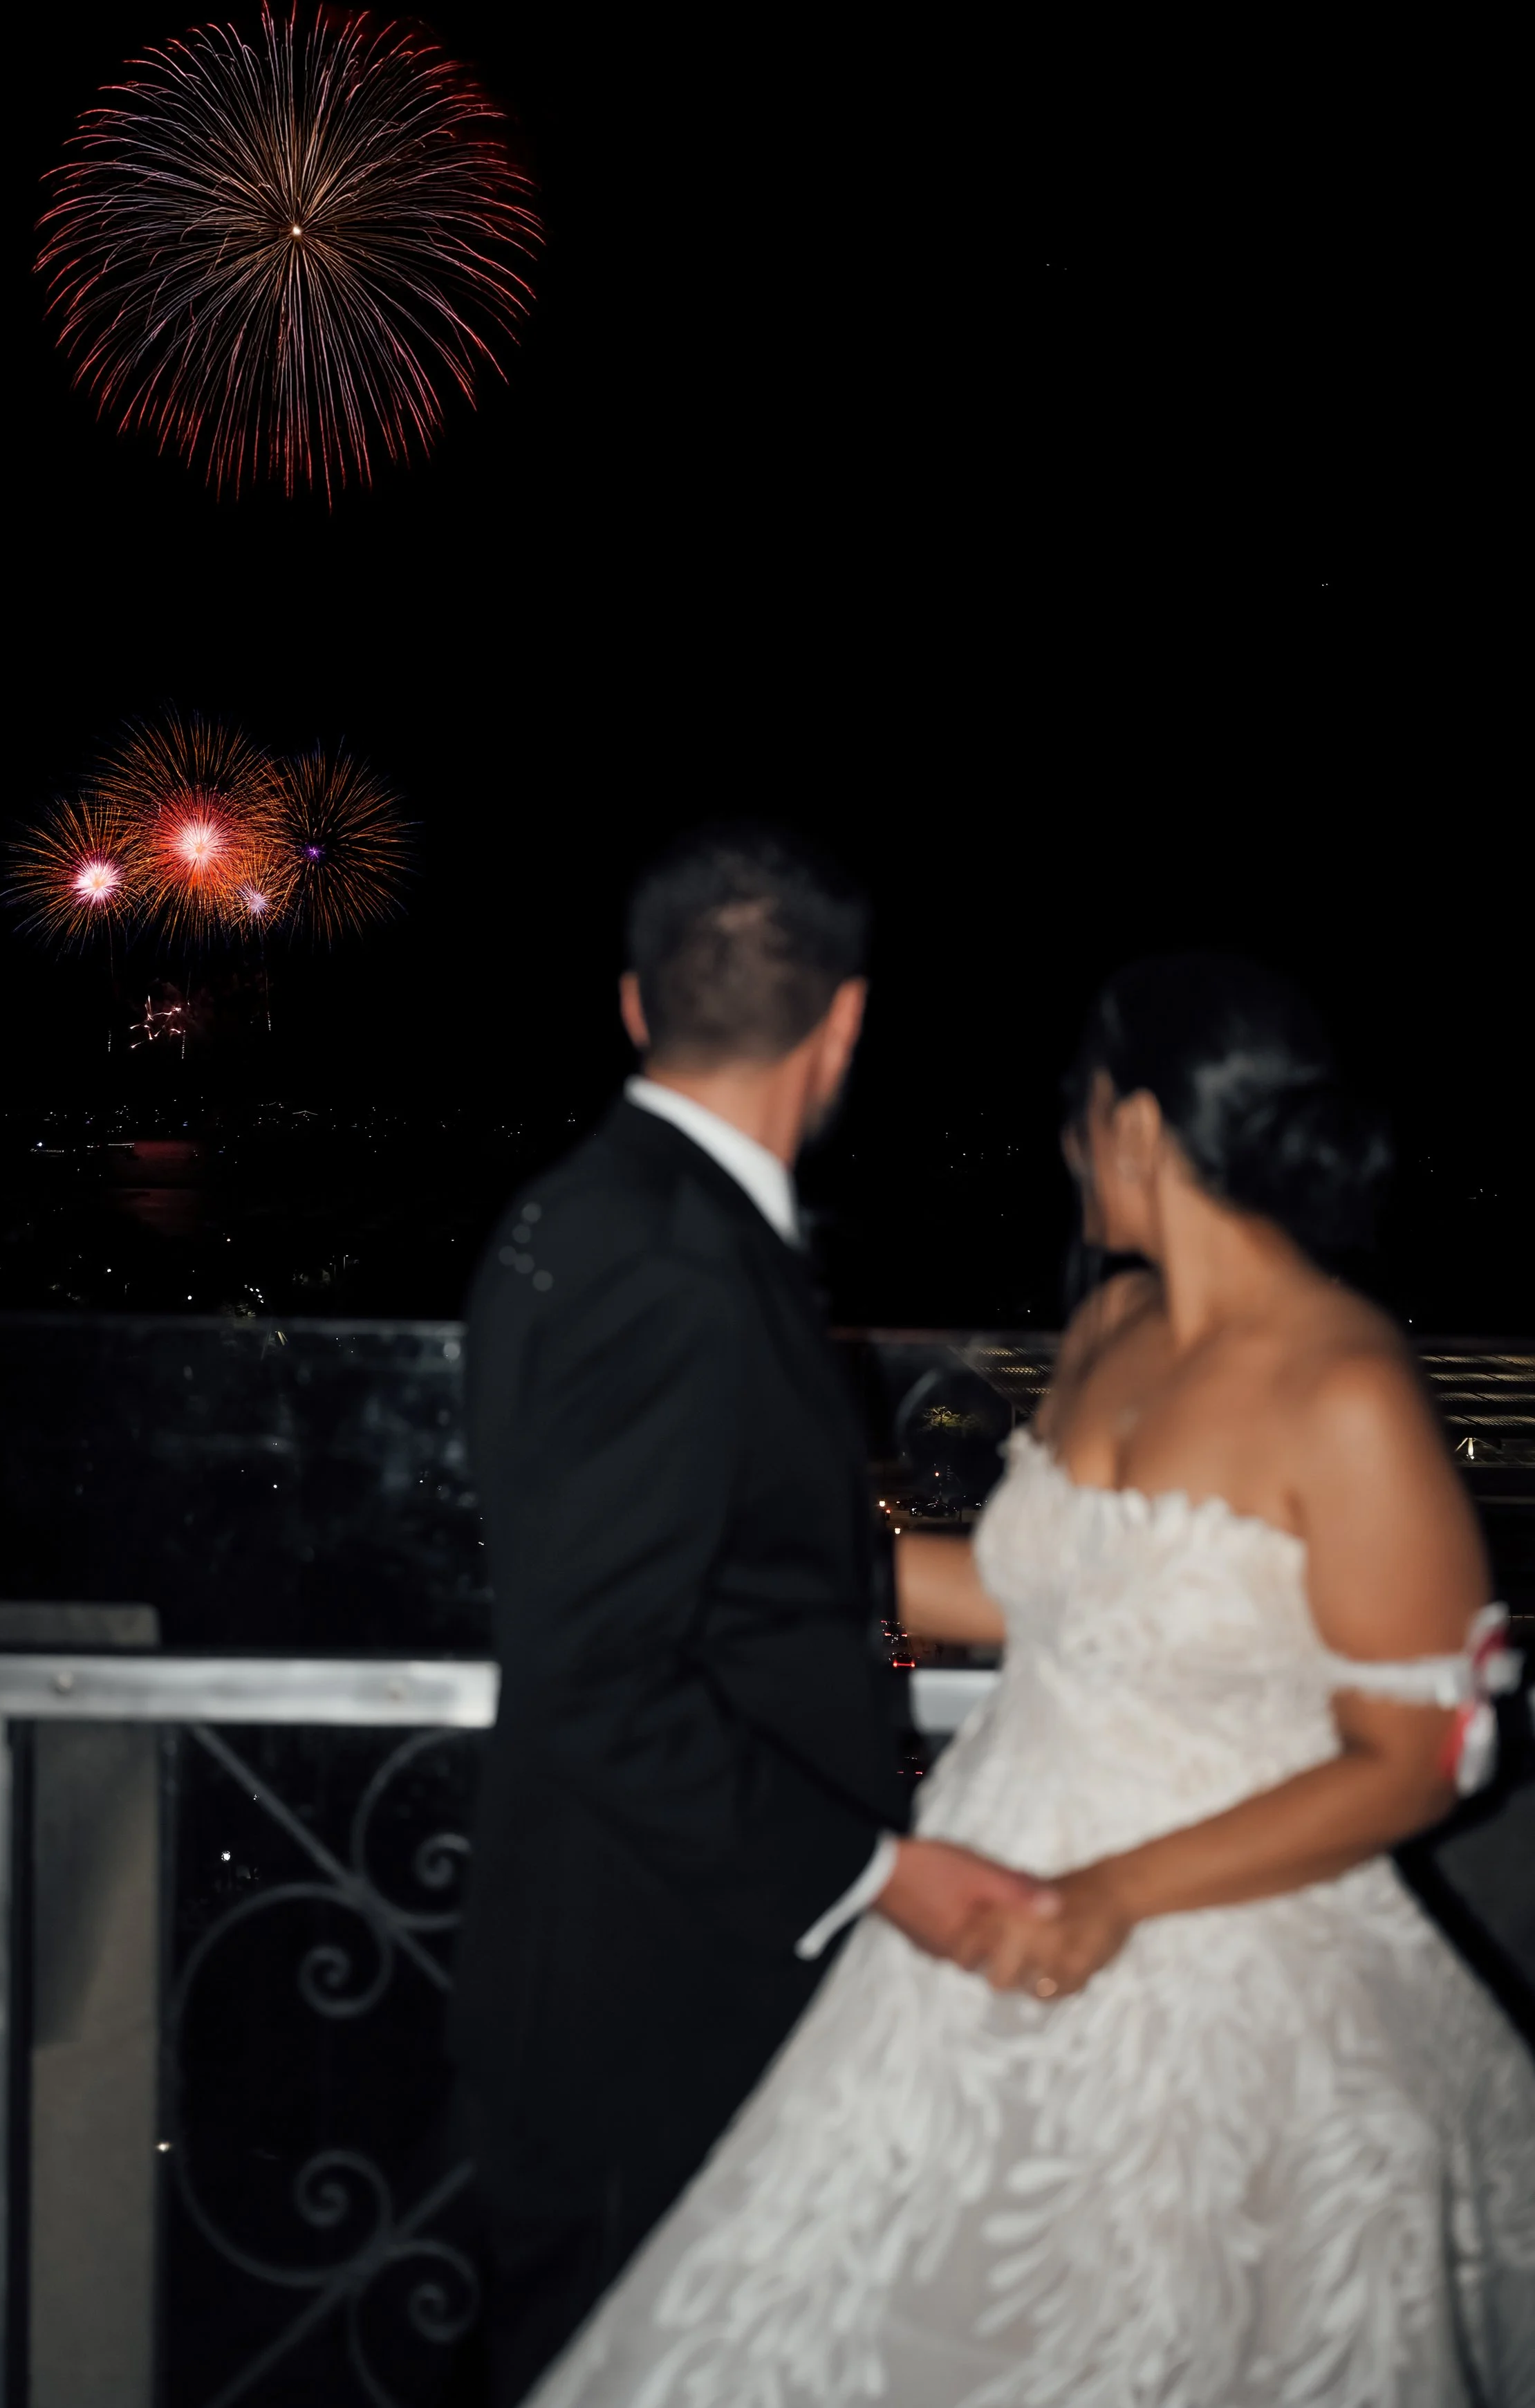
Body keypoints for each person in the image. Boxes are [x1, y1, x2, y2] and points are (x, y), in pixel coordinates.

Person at [525, 953, 1535, 2407]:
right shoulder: (1107, 1330)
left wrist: (1113, 1894)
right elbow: (1024, 1594)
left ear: (1129, 1122)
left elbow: (1416, 1754)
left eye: (1072, 1117)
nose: (1064, 1151)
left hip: (1214, 1939)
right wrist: (750, 1530)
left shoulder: (1344, 1385)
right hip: (980, 1902)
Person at [451, 824, 1048, 2406]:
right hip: (646, 1984)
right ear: (841, 1023)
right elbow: (601, 1680)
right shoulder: (673, 1260)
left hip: (631, 1950)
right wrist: (882, 1872)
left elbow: (725, 1566)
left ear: (635, 1008)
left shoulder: (594, 1213)